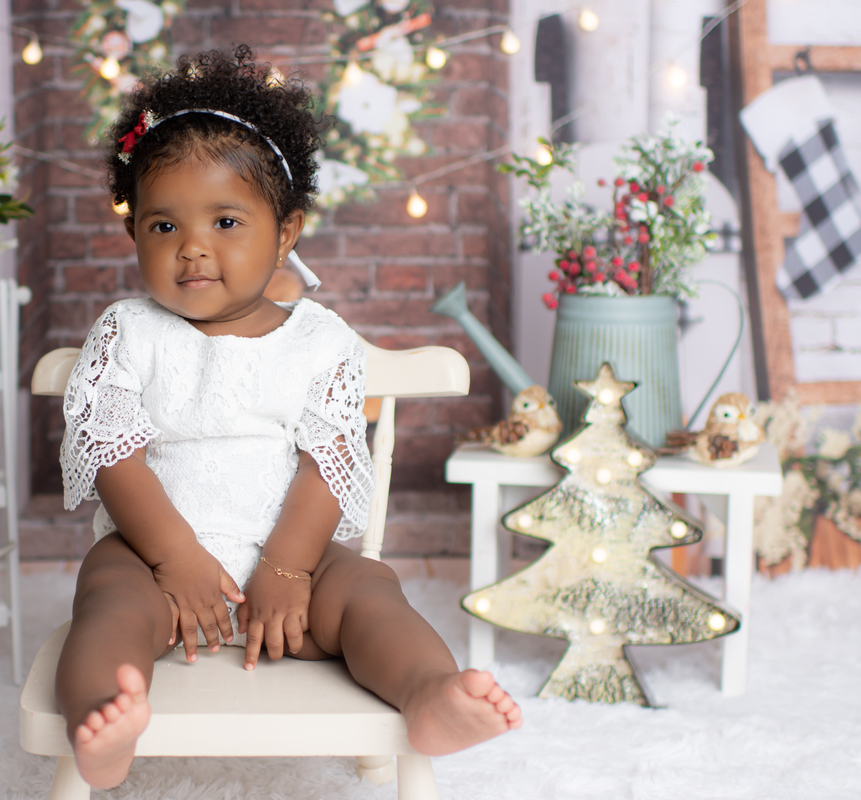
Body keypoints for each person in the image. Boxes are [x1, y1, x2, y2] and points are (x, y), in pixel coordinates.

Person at [56, 46, 522, 790]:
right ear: (134, 232)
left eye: (226, 220)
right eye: (163, 227)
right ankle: (103, 719)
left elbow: (329, 462)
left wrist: (286, 567)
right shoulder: (128, 330)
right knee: (105, 601)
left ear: (286, 231)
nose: (193, 247)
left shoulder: (318, 339)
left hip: (291, 557)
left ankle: (428, 694)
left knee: (370, 591)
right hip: (154, 554)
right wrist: (173, 557)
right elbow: (113, 453)